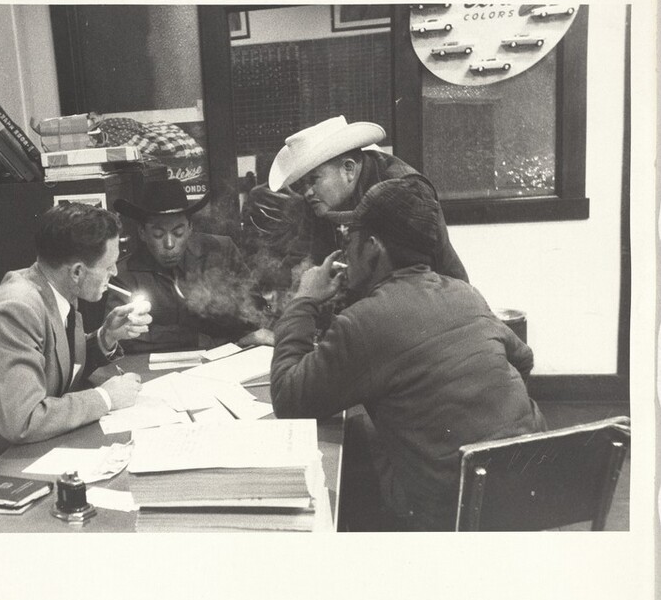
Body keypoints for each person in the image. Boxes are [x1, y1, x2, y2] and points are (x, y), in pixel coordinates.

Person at [270, 178, 546, 531]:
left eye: (350, 238)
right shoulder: (465, 293)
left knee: (353, 469)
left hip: (449, 514)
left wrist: (303, 300)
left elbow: (288, 398)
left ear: (372, 247)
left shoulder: (363, 321)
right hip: (532, 487)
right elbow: (522, 359)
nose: (345, 251)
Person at [0, 202, 152, 478]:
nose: (114, 274)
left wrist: (106, 337)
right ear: (76, 271)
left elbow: (55, 368)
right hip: (7, 467)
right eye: (109, 266)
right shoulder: (15, 309)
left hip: (45, 449)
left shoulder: (53, 289)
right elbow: (24, 420)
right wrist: (106, 397)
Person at [267, 115, 469, 282]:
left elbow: (426, 271)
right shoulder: (316, 200)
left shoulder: (406, 188)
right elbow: (301, 255)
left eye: (313, 179)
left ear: (348, 169)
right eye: (302, 184)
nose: (307, 192)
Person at [110, 178, 273, 353]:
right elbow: (121, 334)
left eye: (178, 233)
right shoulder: (123, 274)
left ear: (190, 228)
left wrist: (227, 306)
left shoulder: (220, 250)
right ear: (142, 233)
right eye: (158, 234)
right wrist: (199, 339)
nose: (170, 244)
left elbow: (256, 311)